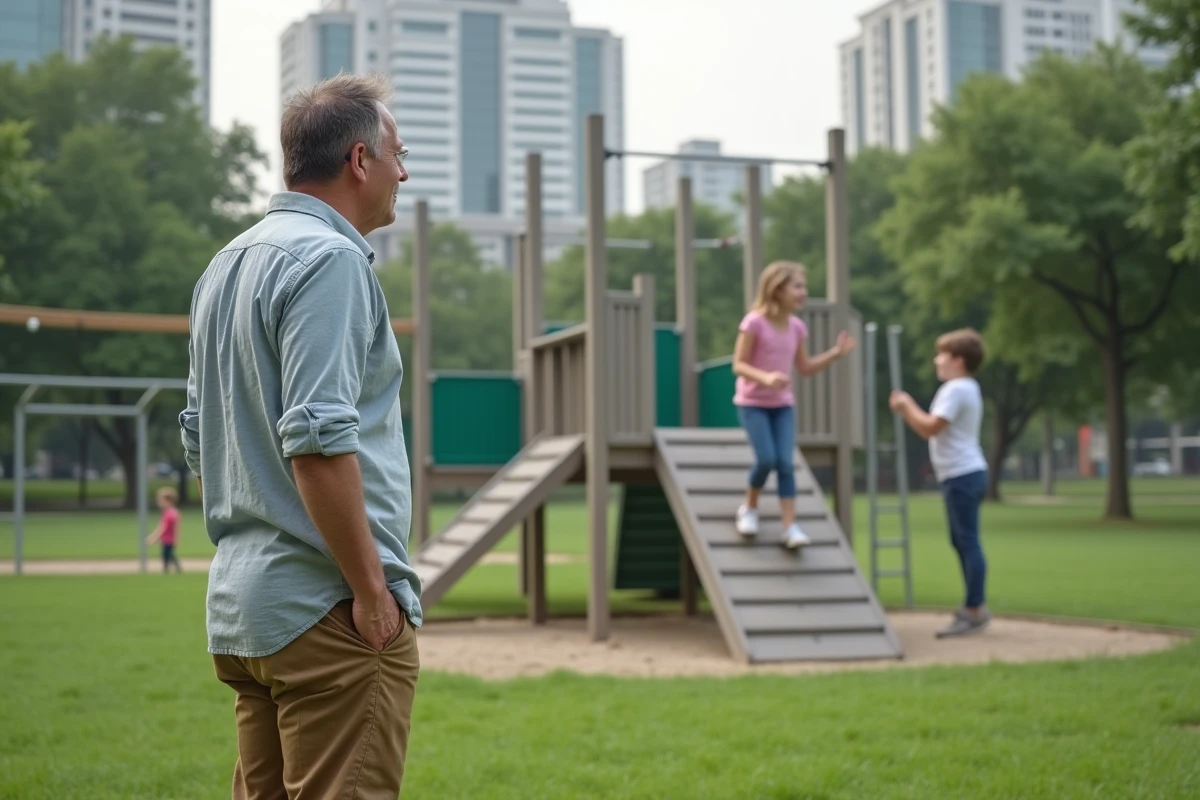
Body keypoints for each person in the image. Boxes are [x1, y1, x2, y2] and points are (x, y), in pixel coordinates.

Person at [179, 73, 421, 799]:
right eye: (398, 154)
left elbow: (200, 440)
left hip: (246, 614)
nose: (404, 173)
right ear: (359, 160)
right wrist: (372, 591)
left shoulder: (225, 265)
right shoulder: (332, 260)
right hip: (328, 613)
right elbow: (317, 439)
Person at [732, 261, 856, 549]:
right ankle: (749, 508)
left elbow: (805, 367)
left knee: (786, 463)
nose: (804, 292)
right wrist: (765, 377)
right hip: (753, 404)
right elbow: (738, 364)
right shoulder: (754, 322)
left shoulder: (797, 327)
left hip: (783, 405)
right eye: (797, 287)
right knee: (766, 459)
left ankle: (789, 527)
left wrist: (835, 354)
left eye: (804, 286)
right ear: (777, 290)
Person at [889, 328, 990, 638]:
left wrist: (906, 406)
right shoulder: (967, 387)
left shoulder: (955, 389)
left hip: (962, 475)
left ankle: (974, 610)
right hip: (964, 474)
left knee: (967, 542)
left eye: (942, 355)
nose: (937, 360)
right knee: (961, 541)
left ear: (958, 360)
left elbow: (930, 428)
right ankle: (974, 607)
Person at [145, 486, 183, 573]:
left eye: (161, 501)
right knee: (168, 555)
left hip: (169, 539)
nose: (159, 503)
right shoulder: (171, 512)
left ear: (169, 501)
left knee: (167, 555)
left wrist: (153, 538)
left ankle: (168, 570)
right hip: (167, 539)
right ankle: (172, 570)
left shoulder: (170, 513)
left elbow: (163, 528)